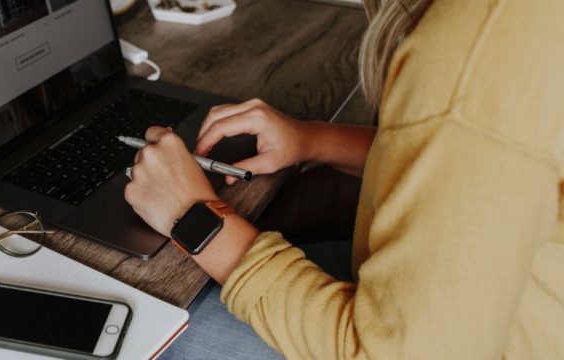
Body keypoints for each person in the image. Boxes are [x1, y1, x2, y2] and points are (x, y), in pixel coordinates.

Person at [124, 0, 564, 358]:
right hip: (480, 299)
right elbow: (476, 164)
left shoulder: (472, 55)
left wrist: (193, 214)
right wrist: (311, 139)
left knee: (146, 326)